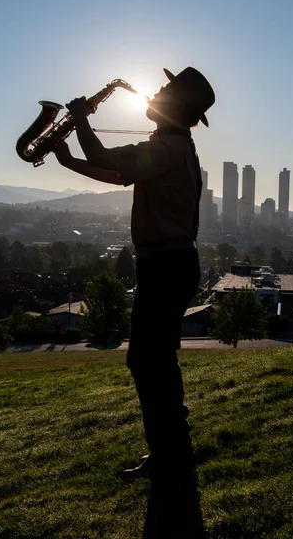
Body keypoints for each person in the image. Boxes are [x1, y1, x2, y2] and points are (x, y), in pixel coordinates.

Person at [54, 67, 215, 484]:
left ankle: (170, 454)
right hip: (168, 263)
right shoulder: (170, 149)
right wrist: (69, 157)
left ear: (177, 106)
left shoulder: (167, 149)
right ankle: (171, 451)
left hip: (166, 264)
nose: (155, 92)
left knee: (148, 360)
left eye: (164, 89)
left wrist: (80, 120)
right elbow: (117, 173)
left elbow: (105, 158)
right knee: (153, 360)